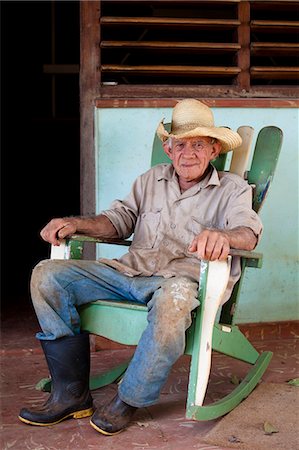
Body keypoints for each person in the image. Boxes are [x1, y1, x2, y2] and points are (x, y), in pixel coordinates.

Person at [18, 99, 262, 435]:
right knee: (46, 276)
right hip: (128, 272)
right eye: (180, 145)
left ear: (214, 149)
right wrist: (74, 223)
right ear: (168, 148)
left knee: (173, 303)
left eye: (198, 145)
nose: (187, 153)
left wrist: (222, 235)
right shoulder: (150, 180)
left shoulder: (232, 189)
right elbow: (118, 222)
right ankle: (70, 394)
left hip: (179, 282)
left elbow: (248, 234)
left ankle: (128, 399)